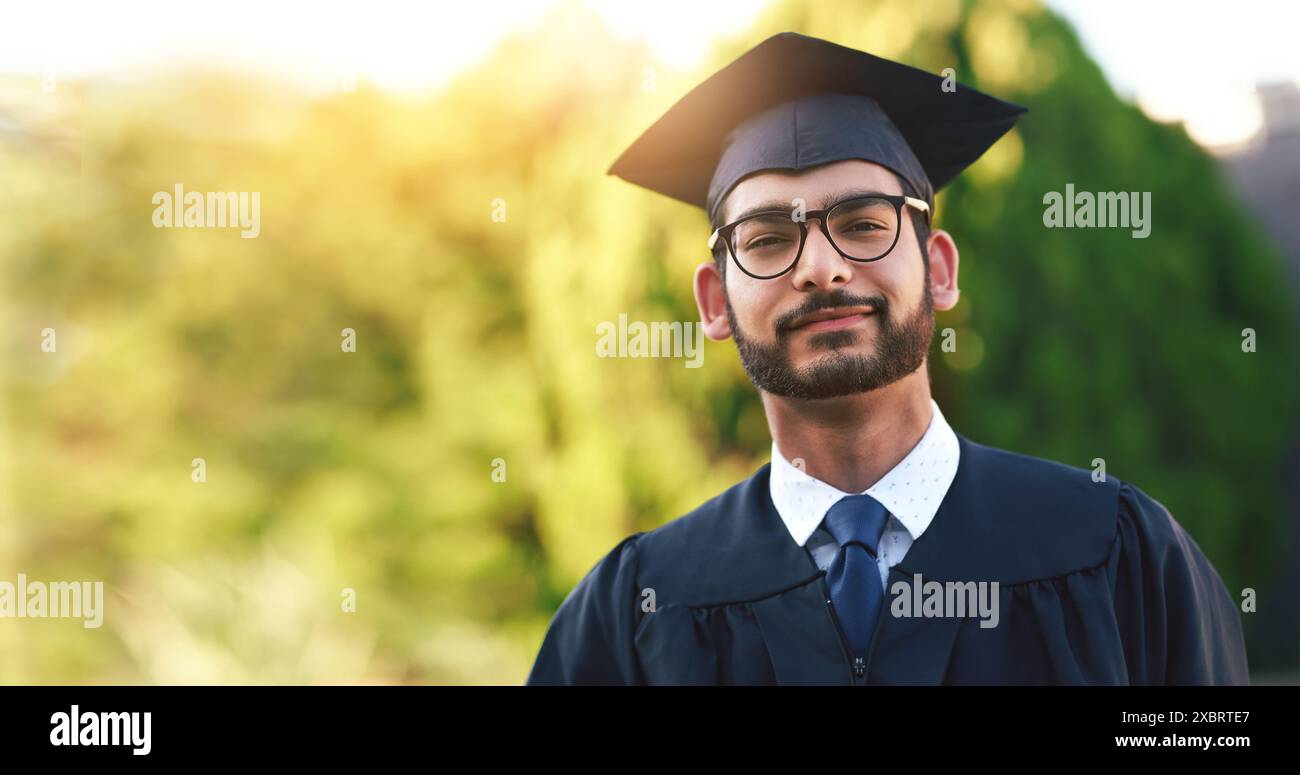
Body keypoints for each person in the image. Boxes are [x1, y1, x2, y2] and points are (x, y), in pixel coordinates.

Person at [526, 32, 1248, 685]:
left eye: (863, 223)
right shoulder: (635, 615)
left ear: (939, 268)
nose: (821, 267)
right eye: (768, 238)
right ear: (714, 301)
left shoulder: (1119, 558)